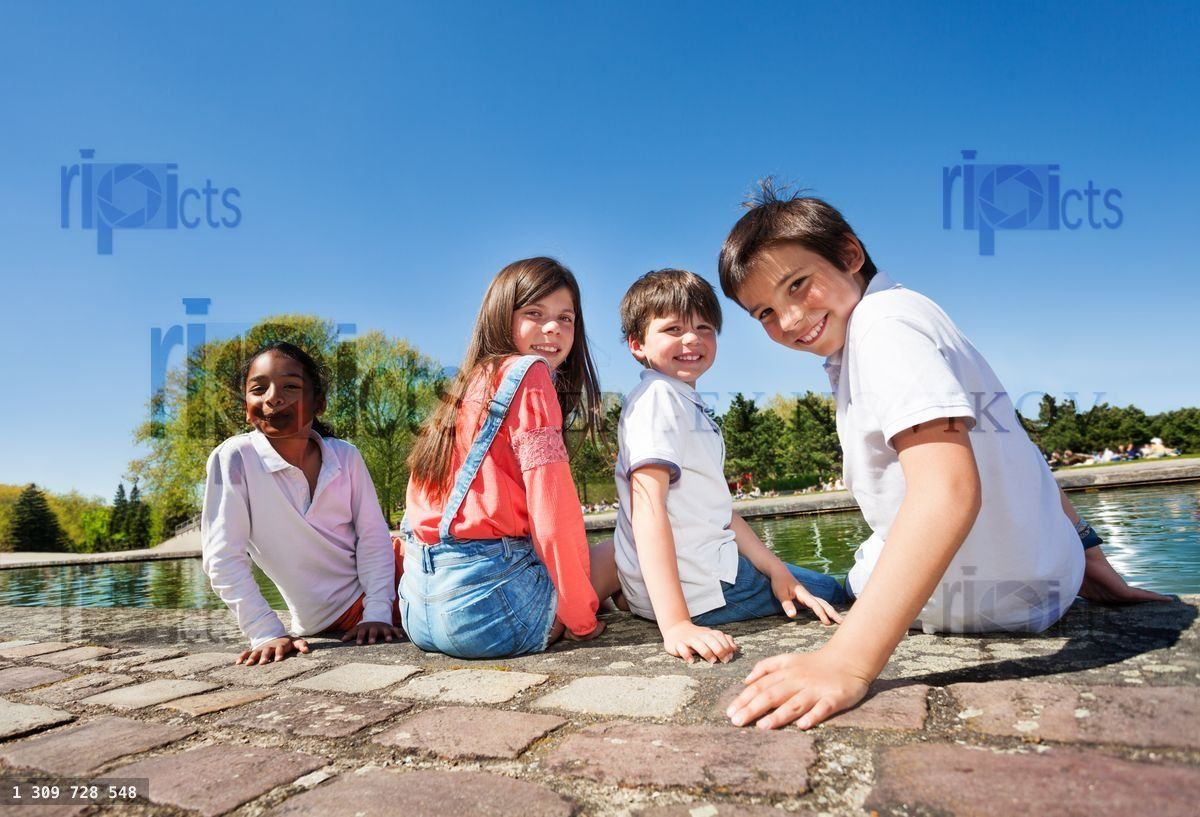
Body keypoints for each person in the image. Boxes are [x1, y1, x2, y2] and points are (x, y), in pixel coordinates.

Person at [716, 181, 1169, 729]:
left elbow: (948, 492)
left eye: (798, 285)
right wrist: (1090, 562)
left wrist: (847, 661)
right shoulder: (909, 315)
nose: (787, 322)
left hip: (977, 603)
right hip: (1047, 586)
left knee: (791, 585)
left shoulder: (882, 328)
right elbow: (1023, 456)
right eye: (764, 311)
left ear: (849, 255)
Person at [613, 269, 844, 666]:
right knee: (834, 590)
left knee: (792, 578)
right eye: (673, 329)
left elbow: (721, 514)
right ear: (637, 344)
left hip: (701, 578)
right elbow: (647, 510)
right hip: (706, 590)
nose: (692, 339)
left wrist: (775, 569)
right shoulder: (658, 399)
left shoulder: (679, 400)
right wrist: (676, 624)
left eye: (704, 327)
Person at [400, 256, 620, 658]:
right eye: (535, 313)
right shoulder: (530, 375)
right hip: (489, 617)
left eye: (566, 318)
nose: (553, 327)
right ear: (502, 317)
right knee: (627, 548)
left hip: (419, 612)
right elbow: (553, 518)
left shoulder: (467, 384)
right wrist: (581, 619)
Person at [202, 341, 403, 666]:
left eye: (290, 387)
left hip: (398, 578)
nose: (272, 397)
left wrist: (377, 611)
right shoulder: (235, 459)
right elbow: (222, 558)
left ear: (318, 402)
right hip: (326, 618)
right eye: (259, 389)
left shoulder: (345, 455)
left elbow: (373, 537)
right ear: (246, 406)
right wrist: (264, 630)